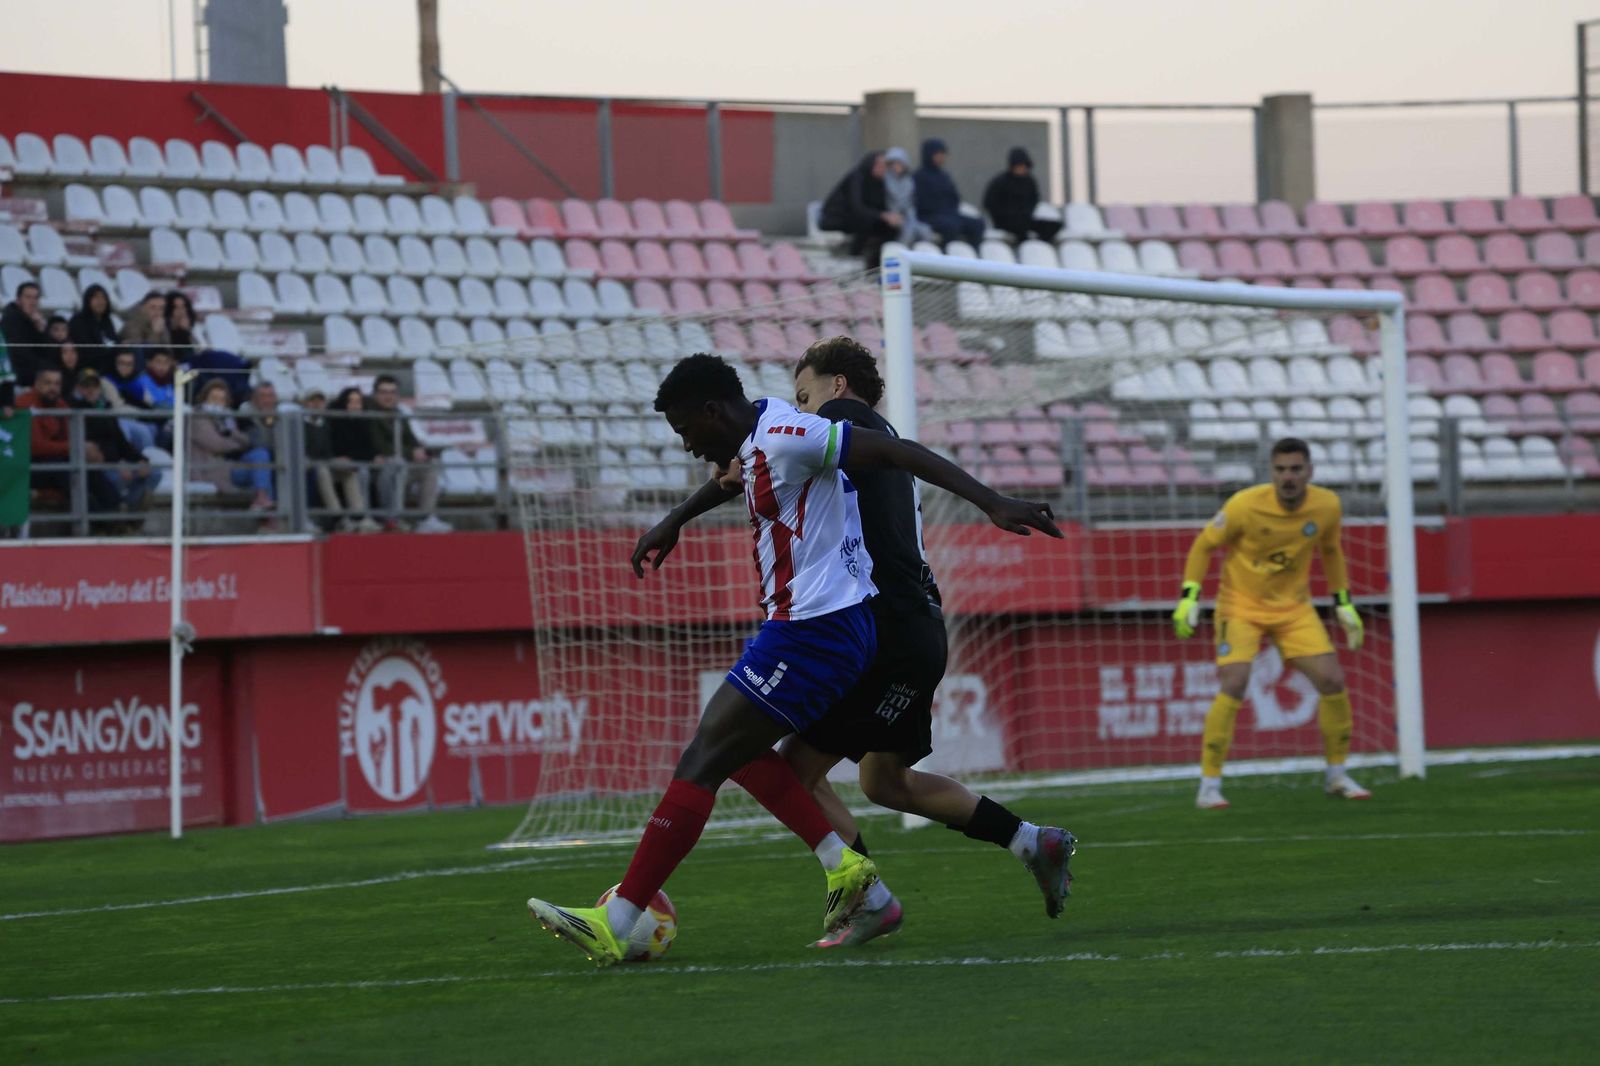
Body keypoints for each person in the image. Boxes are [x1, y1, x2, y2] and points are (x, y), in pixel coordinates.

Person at [525, 352, 1062, 967]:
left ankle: (621, 918)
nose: (687, 446)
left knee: (707, 758)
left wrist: (991, 501)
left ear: (712, 410)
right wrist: (675, 519)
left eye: (685, 430)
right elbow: (737, 474)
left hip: (819, 629)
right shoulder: (763, 435)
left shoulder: (794, 433)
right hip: (817, 627)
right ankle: (863, 873)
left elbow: (895, 452)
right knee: (766, 758)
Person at [705, 338, 1074, 946]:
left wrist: (990, 502)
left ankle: (867, 900)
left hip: (881, 631)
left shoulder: (837, 422)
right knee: (885, 781)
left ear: (837, 387)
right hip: (918, 628)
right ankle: (1032, 840)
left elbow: (773, 454)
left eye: (804, 396)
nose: (800, 410)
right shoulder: (876, 434)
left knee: (791, 771)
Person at [1172, 437, 1372, 809]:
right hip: (1240, 606)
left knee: (1332, 680)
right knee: (1234, 682)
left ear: (1309, 471)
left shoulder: (1327, 505)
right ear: (1271, 472)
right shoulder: (1244, 505)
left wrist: (1344, 603)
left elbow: (1331, 551)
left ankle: (1337, 775)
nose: (1288, 477)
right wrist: (1189, 597)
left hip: (1294, 609)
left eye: (1295, 469)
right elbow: (1204, 545)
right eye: (1280, 469)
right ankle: (1209, 785)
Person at [369, 374, 450, 533]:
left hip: (402, 465)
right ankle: (394, 519)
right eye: (384, 392)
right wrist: (411, 453)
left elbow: (410, 439)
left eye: (392, 392)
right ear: (376, 394)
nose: (388, 397)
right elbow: (381, 447)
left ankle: (426, 519)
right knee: (398, 465)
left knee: (429, 467)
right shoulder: (370, 415)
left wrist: (420, 451)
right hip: (380, 470)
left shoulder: (399, 414)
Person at [68, 368, 149, 518]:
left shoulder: (105, 408)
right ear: (78, 388)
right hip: (97, 465)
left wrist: (140, 459)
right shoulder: (74, 410)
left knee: (153, 472)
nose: (91, 390)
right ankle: (119, 516)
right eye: (86, 386)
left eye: (95, 386)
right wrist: (117, 464)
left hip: (115, 462)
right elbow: (92, 445)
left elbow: (120, 439)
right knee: (116, 478)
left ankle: (129, 514)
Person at [189, 378, 275, 519]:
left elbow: (247, 441)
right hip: (209, 470)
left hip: (228, 467)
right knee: (262, 472)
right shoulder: (198, 418)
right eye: (213, 398)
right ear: (204, 399)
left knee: (261, 456)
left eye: (221, 400)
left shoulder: (227, 419)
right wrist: (236, 442)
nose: (217, 403)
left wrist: (231, 433)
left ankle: (262, 502)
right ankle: (268, 518)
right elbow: (216, 445)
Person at [305, 387, 377, 533]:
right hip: (311, 465)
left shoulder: (326, 423)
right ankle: (338, 517)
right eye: (312, 401)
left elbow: (330, 450)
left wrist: (336, 459)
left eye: (320, 401)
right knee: (322, 470)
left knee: (349, 471)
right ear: (305, 403)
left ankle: (359, 516)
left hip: (328, 462)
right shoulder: (299, 423)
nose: (317, 404)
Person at [818, 151, 900, 269]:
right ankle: (854, 259)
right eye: (881, 165)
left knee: (891, 228)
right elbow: (857, 207)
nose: (884, 169)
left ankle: (877, 264)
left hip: (861, 217)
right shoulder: (857, 177)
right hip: (837, 217)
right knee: (864, 224)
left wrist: (890, 216)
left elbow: (879, 206)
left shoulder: (879, 182)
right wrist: (882, 216)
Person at [913, 138, 984, 247]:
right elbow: (921, 203)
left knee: (977, 224)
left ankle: (973, 253)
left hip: (949, 214)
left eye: (943, 154)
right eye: (938, 154)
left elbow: (954, 197)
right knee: (951, 226)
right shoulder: (919, 177)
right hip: (929, 217)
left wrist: (950, 210)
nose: (942, 157)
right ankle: (946, 253)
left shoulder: (944, 176)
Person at [982, 147, 1062, 244]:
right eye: (1018, 166)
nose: (1021, 169)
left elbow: (1034, 200)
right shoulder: (1001, 182)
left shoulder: (1029, 181)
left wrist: (1026, 213)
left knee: (1053, 226)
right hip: (1005, 221)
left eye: (1024, 166)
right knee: (1021, 231)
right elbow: (989, 203)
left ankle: (1040, 243)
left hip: (1025, 219)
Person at [19, 366, 71, 500]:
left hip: (56, 459)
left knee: (90, 465)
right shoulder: (24, 403)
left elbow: (70, 436)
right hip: (28, 465)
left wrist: (82, 449)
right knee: (62, 468)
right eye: (47, 383)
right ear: (37, 384)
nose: (53, 388)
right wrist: (70, 447)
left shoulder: (60, 404)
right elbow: (35, 446)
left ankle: (112, 507)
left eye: (57, 384)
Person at [1, 281, 52, 387]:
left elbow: (48, 350)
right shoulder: (11, 319)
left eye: (35, 298)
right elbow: (19, 352)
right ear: (18, 300)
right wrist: (45, 366)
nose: (32, 302)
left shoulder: (34, 319)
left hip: (33, 370)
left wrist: (41, 331)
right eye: (28, 297)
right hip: (18, 374)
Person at [883, 147, 933, 245]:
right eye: (893, 163)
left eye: (899, 163)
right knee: (908, 232)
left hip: (908, 215)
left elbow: (910, 202)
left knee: (925, 231)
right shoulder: (885, 180)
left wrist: (909, 216)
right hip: (891, 215)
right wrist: (893, 215)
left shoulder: (908, 181)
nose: (896, 166)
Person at [68, 284, 121, 372]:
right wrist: (112, 351)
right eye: (96, 298)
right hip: (89, 368)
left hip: (110, 365)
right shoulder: (78, 321)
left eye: (103, 298)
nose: (100, 301)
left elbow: (114, 341)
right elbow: (86, 351)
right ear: (88, 300)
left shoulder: (107, 321)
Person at [118, 291, 170, 368]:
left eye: (161, 308)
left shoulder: (159, 322)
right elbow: (142, 355)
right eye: (153, 307)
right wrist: (155, 333)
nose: (157, 312)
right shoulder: (132, 324)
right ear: (143, 308)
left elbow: (168, 350)